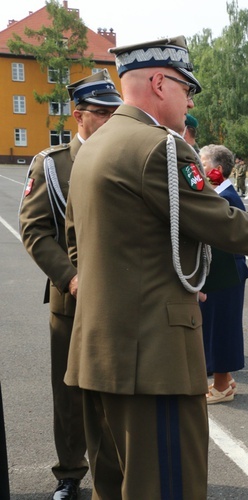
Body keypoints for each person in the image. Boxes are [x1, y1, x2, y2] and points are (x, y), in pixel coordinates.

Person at [63, 36, 248, 499]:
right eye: (185, 88)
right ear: (158, 82)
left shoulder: (95, 144)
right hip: (153, 360)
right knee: (169, 486)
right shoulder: (160, 149)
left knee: (114, 487)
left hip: (99, 354)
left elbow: (81, 246)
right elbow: (223, 223)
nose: (189, 99)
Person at [19, 70, 123, 500]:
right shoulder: (52, 164)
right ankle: (69, 472)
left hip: (120, 298)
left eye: (115, 112)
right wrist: (71, 277)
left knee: (117, 389)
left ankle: (115, 474)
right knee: (70, 394)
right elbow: (34, 231)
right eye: (102, 114)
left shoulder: (124, 156)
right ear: (79, 115)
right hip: (73, 299)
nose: (111, 120)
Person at [199, 144, 248, 403]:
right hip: (220, 272)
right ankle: (225, 380)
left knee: (222, 329)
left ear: (217, 170)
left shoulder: (226, 196)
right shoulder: (217, 192)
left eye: (203, 164)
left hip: (226, 273)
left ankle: (221, 386)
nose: (198, 168)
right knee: (215, 327)